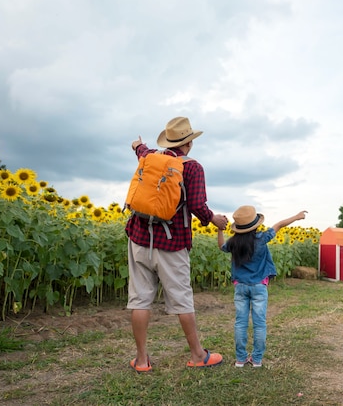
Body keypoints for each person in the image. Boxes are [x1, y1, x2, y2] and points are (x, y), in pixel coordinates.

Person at [126, 116, 228, 372]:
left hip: (139, 237)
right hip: (172, 244)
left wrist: (137, 145)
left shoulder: (149, 156)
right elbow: (196, 205)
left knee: (139, 299)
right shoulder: (192, 168)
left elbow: (140, 148)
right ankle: (197, 355)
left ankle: (141, 360)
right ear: (189, 144)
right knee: (182, 299)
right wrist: (213, 219)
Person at [217, 206, 307, 368]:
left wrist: (219, 230)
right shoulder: (262, 239)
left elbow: (221, 246)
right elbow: (279, 225)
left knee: (240, 323)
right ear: (256, 225)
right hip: (259, 287)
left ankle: (240, 359)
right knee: (259, 323)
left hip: (241, 287)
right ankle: (256, 359)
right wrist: (297, 216)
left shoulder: (234, 243)